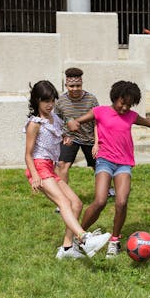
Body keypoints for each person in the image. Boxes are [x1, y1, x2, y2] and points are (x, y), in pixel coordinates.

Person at [67, 80, 150, 259]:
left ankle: (114, 241)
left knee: (121, 202)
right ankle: (81, 236)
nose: (125, 107)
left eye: (129, 104)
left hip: (124, 163)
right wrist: (72, 123)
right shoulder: (100, 111)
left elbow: (148, 122)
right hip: (104, 161)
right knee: (100, 201)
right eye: (122, 103)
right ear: (115, 98)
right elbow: (77, 121)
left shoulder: (131, 116)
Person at [24, 80, 111, 259]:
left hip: (50, 168)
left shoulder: (54, 118)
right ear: (36, 101)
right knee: (63, 202)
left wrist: (64, 138)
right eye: (45, 101)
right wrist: (34, 176)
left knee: (76, 204)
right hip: (39, 167)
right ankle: (84, 238)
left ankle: (66, 248)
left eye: (52, 101)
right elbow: (28, 154)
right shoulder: (35, 123)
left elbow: (58, 132)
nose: (50, 105)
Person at [54, 67, 115, 200]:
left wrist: (97, 143)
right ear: (66, 85)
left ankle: (108, 189)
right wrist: (63, 136)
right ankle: (63, 197)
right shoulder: (60, 101)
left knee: (99, 165)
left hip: (89, 138)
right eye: (71, 86)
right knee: (62, 164)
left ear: (82, 84)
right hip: (70, 138)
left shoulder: (91, 99)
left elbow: (97, 122)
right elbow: (56, 122)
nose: (75, 89)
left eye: (78, 85)